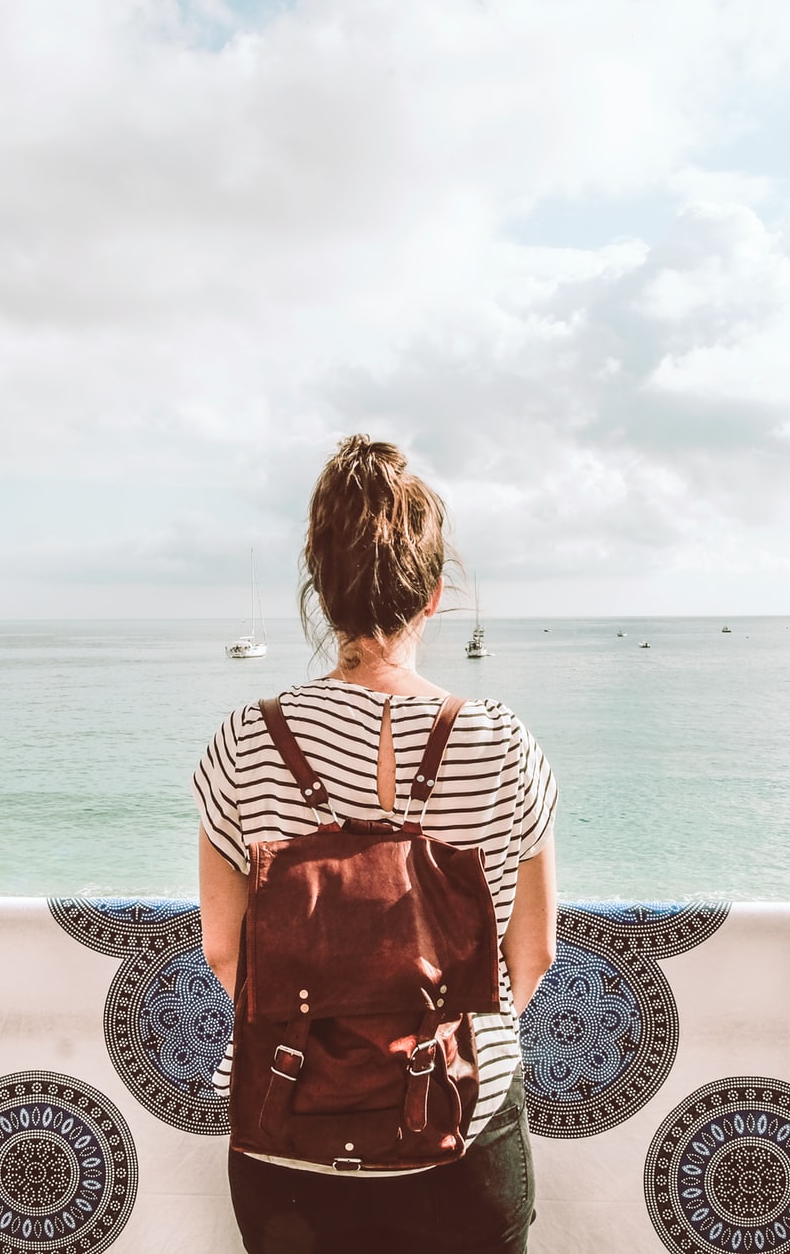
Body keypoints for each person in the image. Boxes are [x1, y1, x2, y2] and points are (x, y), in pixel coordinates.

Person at [194, 434, 560, 1254]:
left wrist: (338, 1056)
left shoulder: (247, 740)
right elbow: (529, 955)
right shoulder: (503, 741)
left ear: (321, 594)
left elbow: (226, 951)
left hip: (288, 1135)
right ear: (434, 595)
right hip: (461, 1132)